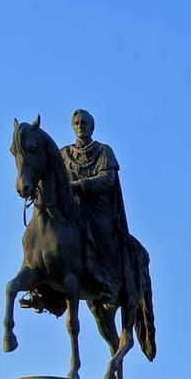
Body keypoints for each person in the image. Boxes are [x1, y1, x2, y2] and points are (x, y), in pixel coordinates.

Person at [59, 109, 129, 305]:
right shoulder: (64, 154)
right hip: (72, 206)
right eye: (77, 123)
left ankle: (109, 283)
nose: (81, 126)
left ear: (92, 126)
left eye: (84, 123)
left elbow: (108, 178)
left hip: (97, 208)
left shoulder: (103, 151)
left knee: (103, 236)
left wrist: (81, 185)